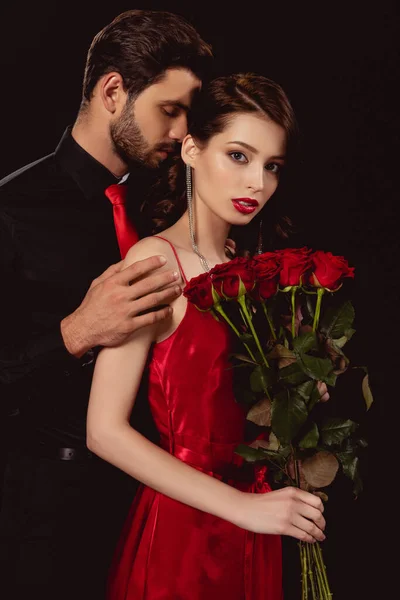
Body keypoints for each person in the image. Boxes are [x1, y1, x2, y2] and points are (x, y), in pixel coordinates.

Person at [87, 73, 328, 600]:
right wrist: (242, 508)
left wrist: (300, 398)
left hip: (258, 524)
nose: (257, 184)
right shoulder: (153, 261)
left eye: (272, 167)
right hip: (183, 530)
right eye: (239, 156)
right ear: (192, 149)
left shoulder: (253, 272)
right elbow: (103, 430)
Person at [0, 9, 213, 599]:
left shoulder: (166, 206)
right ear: (113, 91)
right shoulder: (12, 210)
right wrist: (75, 332)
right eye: (169, 111)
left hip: (154, 508)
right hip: (41, 524)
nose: (180, 133)